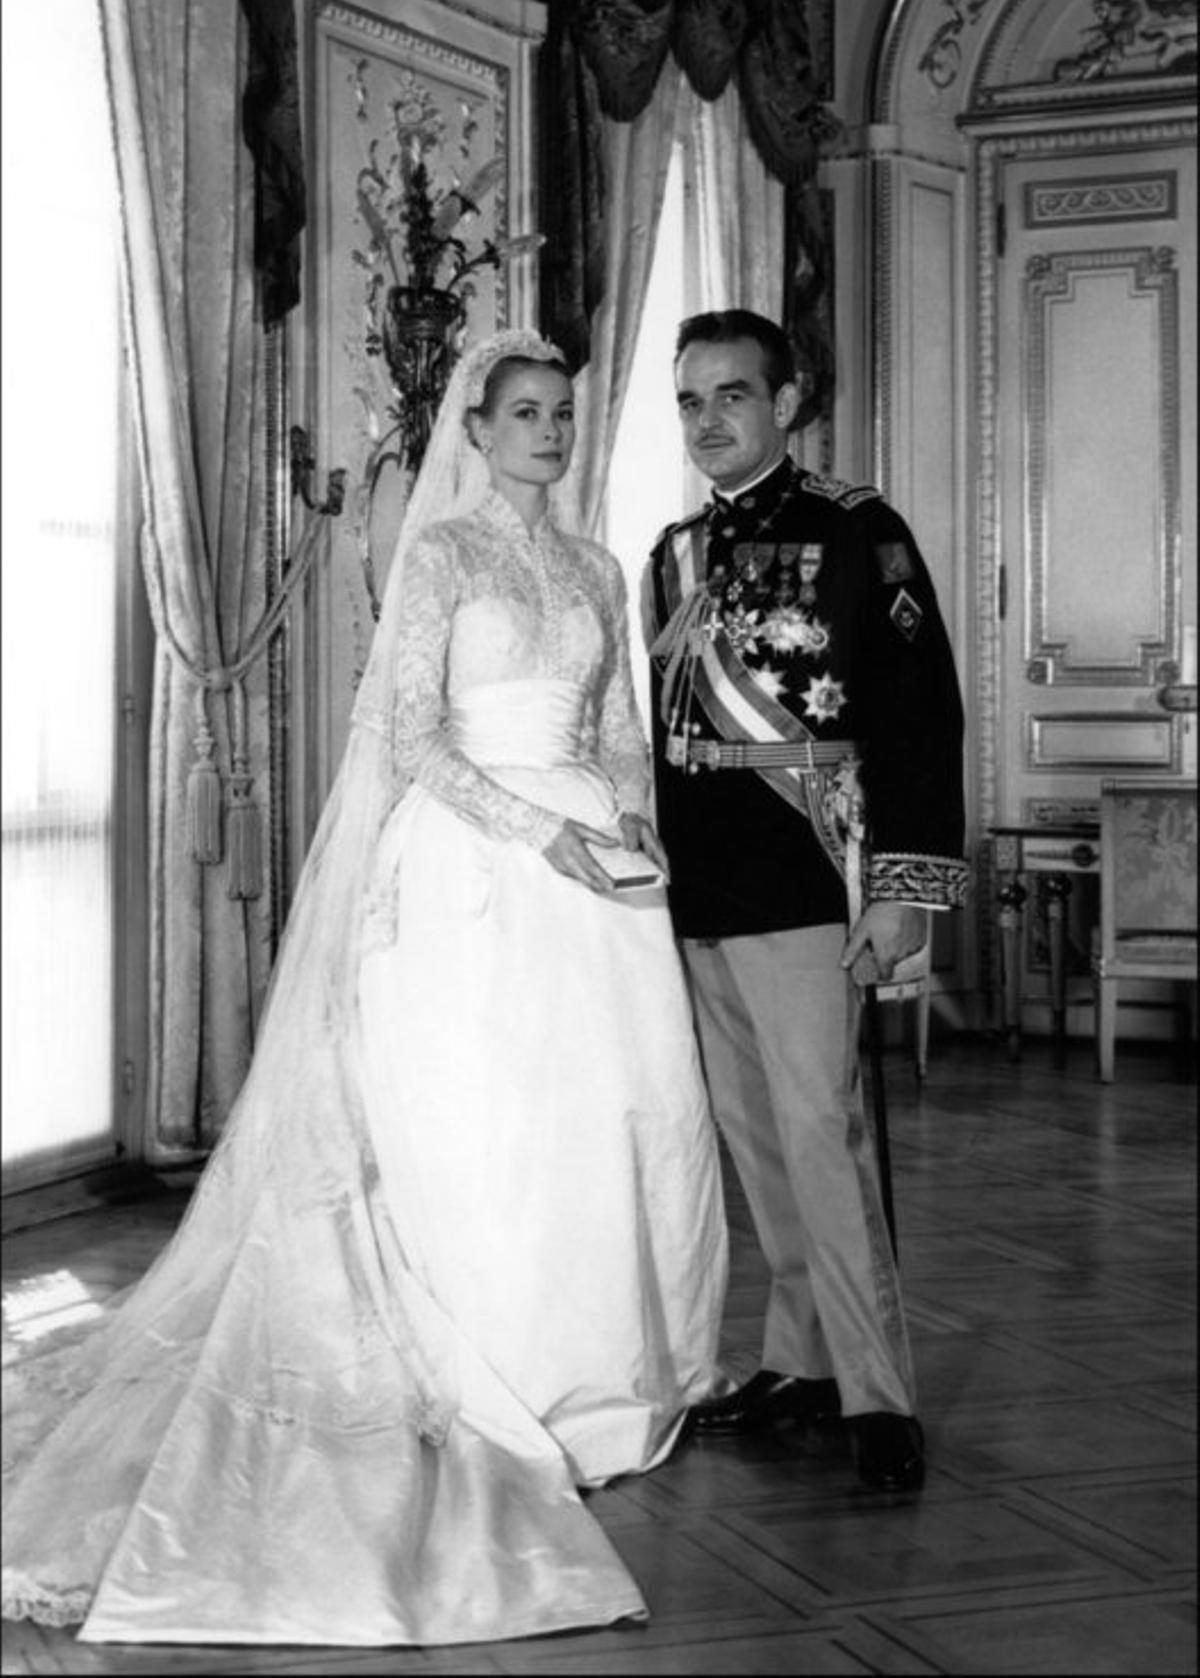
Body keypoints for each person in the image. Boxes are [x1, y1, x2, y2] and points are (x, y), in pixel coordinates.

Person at [1, 330, 729, 1646]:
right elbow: (406, 733)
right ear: (480, 427)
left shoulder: (598, 564)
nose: (551, 432)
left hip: (597, 876)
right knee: (478, 1113)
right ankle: (475, 1365)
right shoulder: (441, 556)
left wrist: (631, 815)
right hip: (474, 858)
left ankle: (596, 1383)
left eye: (566, 413)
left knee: (605, 1114)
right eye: (526, 412)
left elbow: (617, 725)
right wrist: (536, 828)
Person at [642, 309, 967, 1495]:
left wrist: (908, 891)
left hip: (804, 870)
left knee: (824, 1136)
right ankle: (802, 1359)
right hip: (698, 879)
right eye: (689, 401)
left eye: (732, 395)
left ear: (787, 403)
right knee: (756, 1140)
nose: (709, 421)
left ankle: (879, 1391)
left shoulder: (857, 530)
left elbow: (923, 716)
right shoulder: (670, 554)